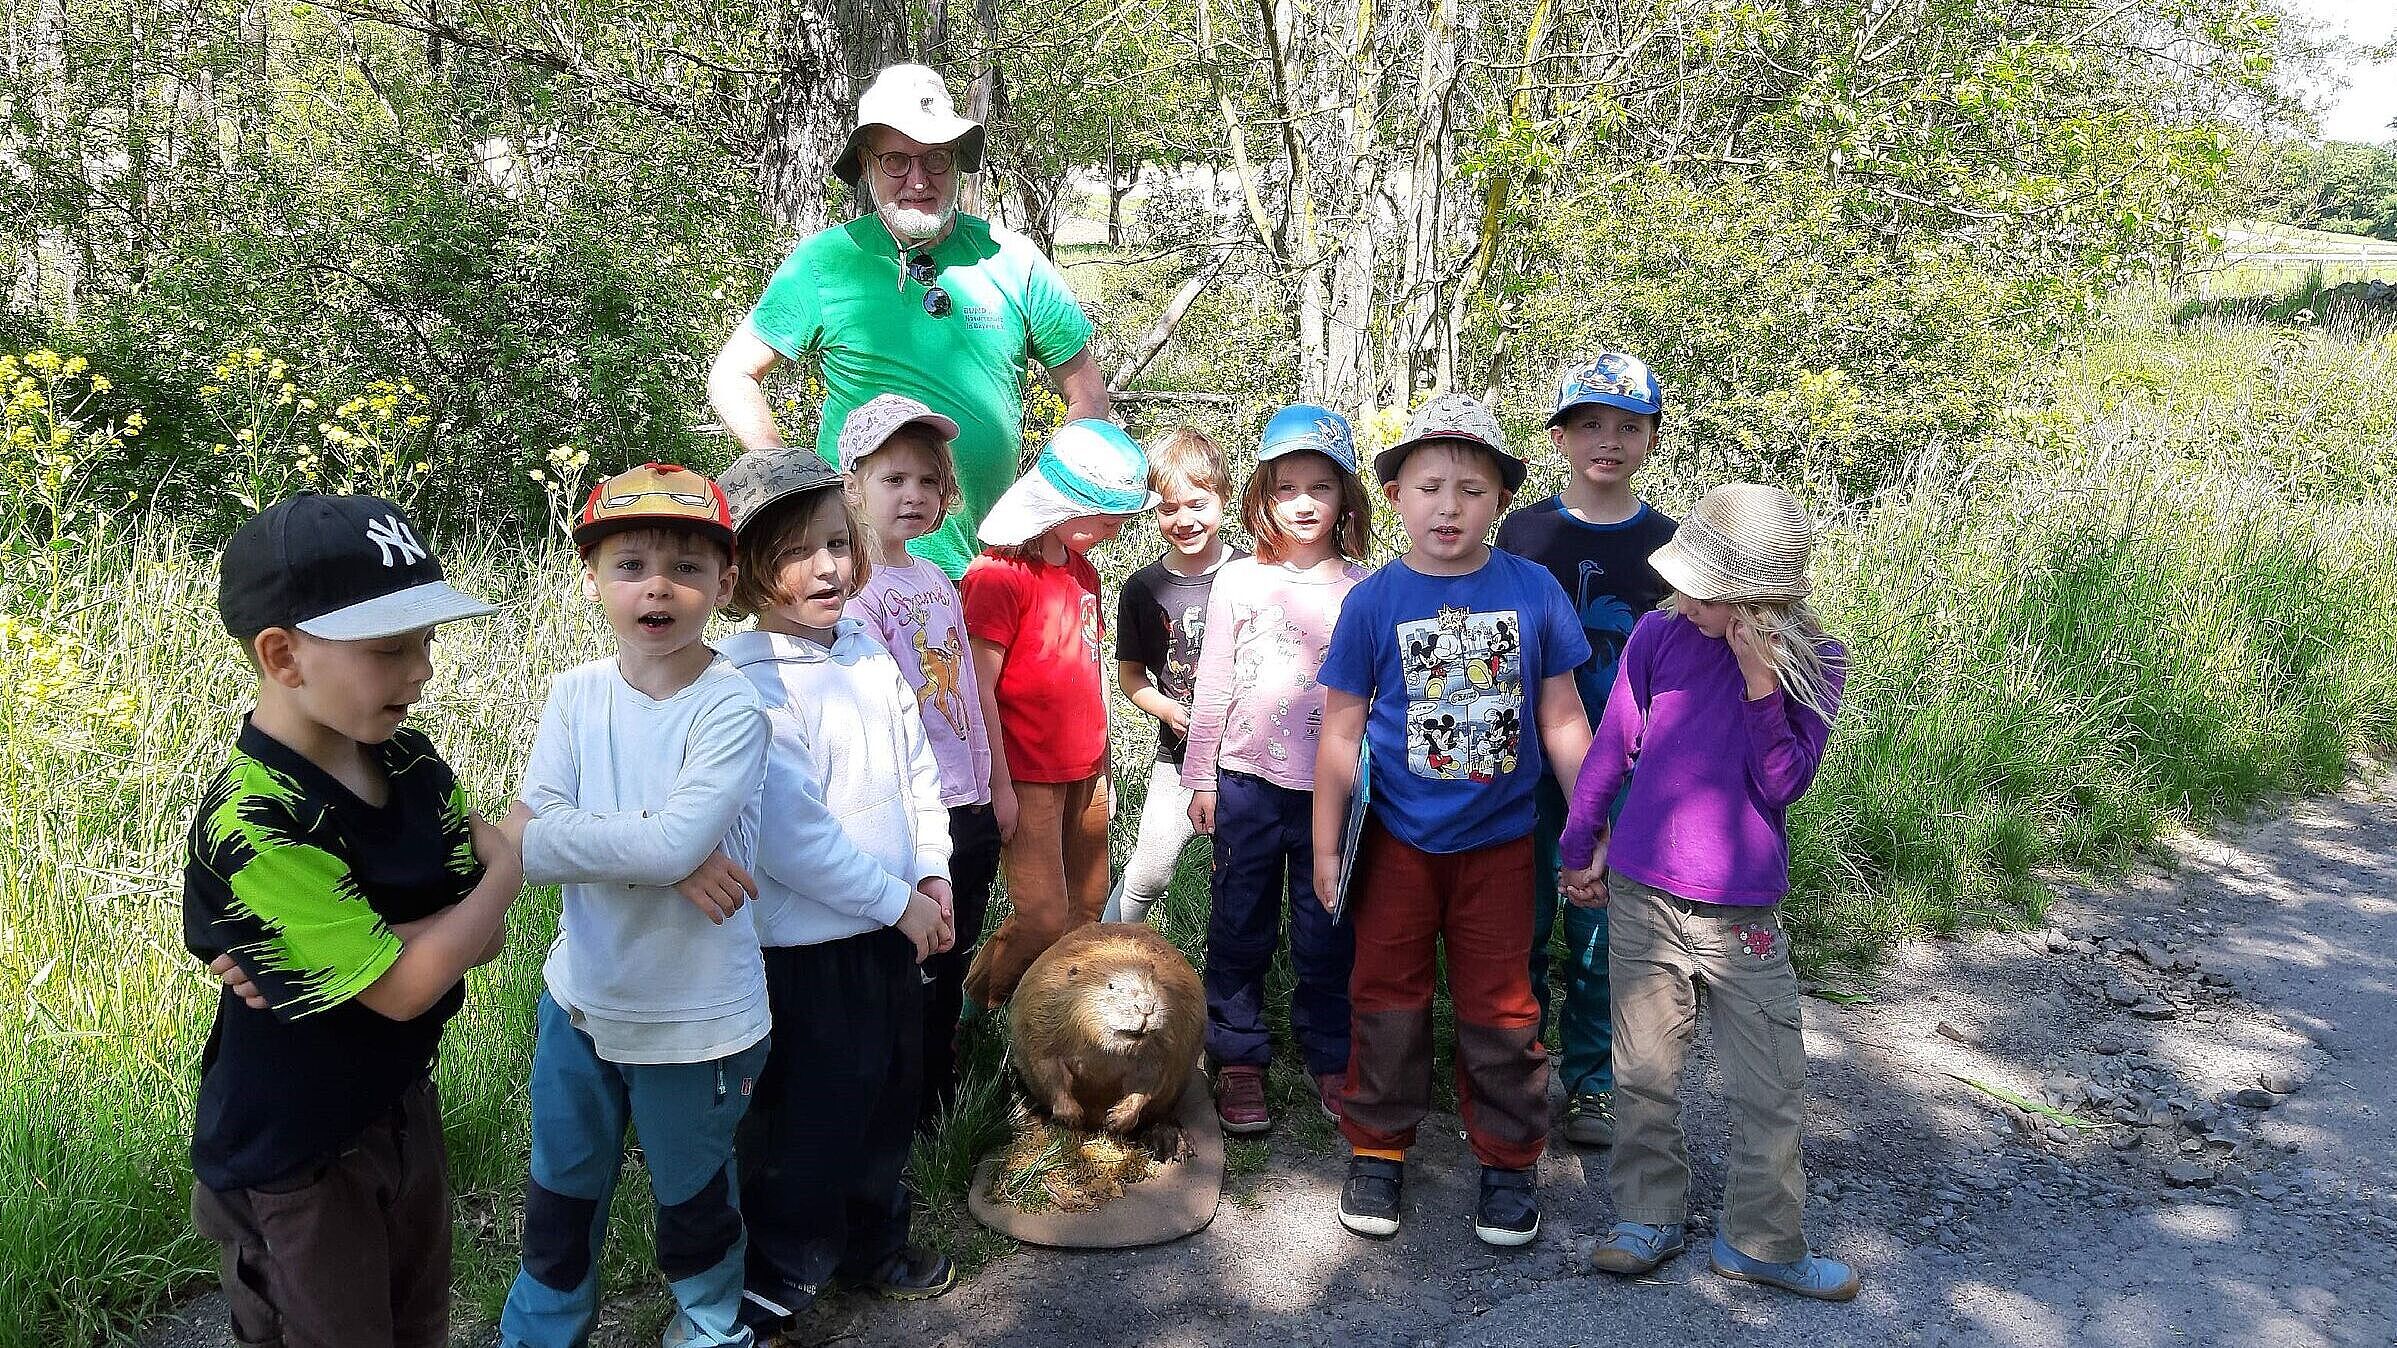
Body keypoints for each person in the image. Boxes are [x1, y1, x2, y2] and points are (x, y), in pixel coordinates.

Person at [185, 493, 518, 1348]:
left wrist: (377, 953)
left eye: (427, 641)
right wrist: (506, 871)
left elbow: (481, 946)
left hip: (400, 1107)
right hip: (293, 1158)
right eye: (388, 649)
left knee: (418, 1323)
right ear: (282, 654)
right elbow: (412, 984)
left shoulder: (409, 758)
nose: (423, 672)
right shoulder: (253, 820)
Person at [497, 464, 773, 1348]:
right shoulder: (575, 695)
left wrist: (659, 851)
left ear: (724, 585)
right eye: (631, 563)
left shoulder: (734, 706)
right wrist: (664, 858)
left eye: (688, 567)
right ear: (592, 579)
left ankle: (707, 1327)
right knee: (560, 1186)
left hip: (697, 1019)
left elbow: (526, 840)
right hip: (579, 995)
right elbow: (532, 821)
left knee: (692, 1197)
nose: (659, 583)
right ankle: (541, 1331)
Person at [1559, 483, 1857, 1301]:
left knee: (1769, 1082)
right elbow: (1611, 747)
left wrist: (1760, 679)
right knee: (1643, 1068)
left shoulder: (1816, 660)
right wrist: (1578, 843)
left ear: (1756, 598)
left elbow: (1783, 781)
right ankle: (1647, 1215)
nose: (1681, 597)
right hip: (1642, 894)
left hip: (1742, 914)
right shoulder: (1658, 635)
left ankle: (1761, 1240)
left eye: (1702, 589)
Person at [1312, 395, 1593, 1248]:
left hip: (1502, 845)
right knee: (1386, 996)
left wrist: (1588, 828)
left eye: (1471, 490)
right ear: (1394, 494)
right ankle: (1377, 1147)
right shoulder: (1373, 601)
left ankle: (1508, 1160)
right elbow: (1340, 730)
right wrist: (1326, 846)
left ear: (1499, 501)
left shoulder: (1532, 589)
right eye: (1429, 486)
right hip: (1396, 842)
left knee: (1503, 1005)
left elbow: (1562, 719)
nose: (1448, 506)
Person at [715, 448, 962, 1329]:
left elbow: (916, 772)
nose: (826, 567)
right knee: (805, 1119)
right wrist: (902, 905)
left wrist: (930, 869)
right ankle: (777, 1272)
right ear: (741, 570)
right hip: (803, 950)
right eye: (795, 551)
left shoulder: (865, 650)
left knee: (887, 1094)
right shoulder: (746, 681)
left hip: (892, 927)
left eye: (834, 543)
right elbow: (791, 837)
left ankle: (872, 1242)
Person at [708, 63, 1111, 579]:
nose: (918, 181)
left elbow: (1088, 397)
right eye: (896, 160)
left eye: (936, 159)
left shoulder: (1013, 259)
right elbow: (733, 375)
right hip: (859, 574)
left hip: (991, 570)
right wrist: (790, 480)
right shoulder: (827, 261)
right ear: (866, 166)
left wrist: (1045, 509)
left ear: (957, 162)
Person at [1495, 352, 1678, 1149]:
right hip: (1524, 767)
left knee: (1601, 928)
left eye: (1628, 427)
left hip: (1628, 770)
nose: (1609, 441)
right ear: (1561, 436)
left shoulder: (1669, 544)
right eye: (1591, 424)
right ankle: (1519, 1072)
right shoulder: (1524, 533)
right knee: (1522, 922)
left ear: (1650, 440)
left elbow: (1681, 657)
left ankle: (1594, 1081)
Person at [1181, 405, 1370, 1134]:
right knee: (1240, 922)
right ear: (1260, 494)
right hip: (1247, 781)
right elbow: (1214, 684)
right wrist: (1201, 776)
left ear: (1343, 499)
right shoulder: (1238, 582)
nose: (1301, 501)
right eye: (1284, 484)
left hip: (1335, 789)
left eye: (1318, 487)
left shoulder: (1364, 589)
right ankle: (1236, 1056)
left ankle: (1329, 1055)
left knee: (1327, 925)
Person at [837, 394, 1004, 1122]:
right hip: (911, 818)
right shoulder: (852, 595)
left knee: (955, 945)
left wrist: (996, 783)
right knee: (908, 957)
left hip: (966, 802)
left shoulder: (936, 579)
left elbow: (966, 686)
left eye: (928, 482)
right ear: (854, 488)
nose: (913, 496)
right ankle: (893, 1103)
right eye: (893, 479)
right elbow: (872, 717)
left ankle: (938, 1090)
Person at [957, 419, 1157, 1007]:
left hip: (1086, 768)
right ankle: (977, 1005)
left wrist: (1105, 762)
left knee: (1085, 905)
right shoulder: (997, 576)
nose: (1117, 527)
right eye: (1106, 514)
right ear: (1066, 504)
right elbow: (978, 690)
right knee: (1043, 917)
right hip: (1027, 772)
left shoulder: (1082, 569)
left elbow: (1088, 670)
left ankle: (1054, 1018)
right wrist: (998, 784)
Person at [1102, 426, 1243, 927]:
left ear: (1224, 498)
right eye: (1168, 508)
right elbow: (1132, 678)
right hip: (1178, 758)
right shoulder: (1141, 588)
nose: (1184, 519)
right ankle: (1110, 946)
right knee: (1152, 871)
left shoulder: (1253, 574)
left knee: (1241, 874)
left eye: (1197, 503)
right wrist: (1168, 710)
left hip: (1251, 761)